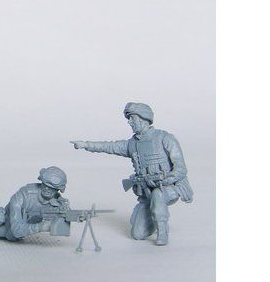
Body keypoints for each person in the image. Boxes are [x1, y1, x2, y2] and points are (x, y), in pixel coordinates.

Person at [71, 102, 192, 246]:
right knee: (137, 234)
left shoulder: (165, 138)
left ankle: (163, 232)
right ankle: (154, 216)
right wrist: (86, 144)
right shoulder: (132, 144)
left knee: (158, 194)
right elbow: (109, 146)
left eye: (132, 118)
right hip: (147, 191)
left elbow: (181, 169)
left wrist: (164, 180)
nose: (129, 122)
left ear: (143, 118)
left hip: (171, 187)